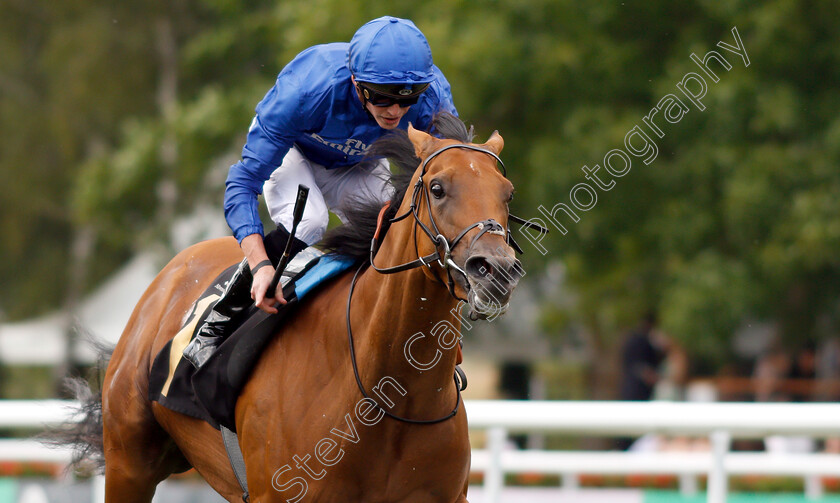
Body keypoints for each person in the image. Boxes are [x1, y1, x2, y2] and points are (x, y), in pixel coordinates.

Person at [183, 16, 458, 368]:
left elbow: (453, 168)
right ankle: (216, 324)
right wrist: (260, 263)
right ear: (356, 82)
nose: (395, 111)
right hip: (295, 153)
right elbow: (242, 183)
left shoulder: (432, 94)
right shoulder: (307, 90)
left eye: (407, 100)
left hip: (360, 162)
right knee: (310, 223)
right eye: (382, 98)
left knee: (394, 229)